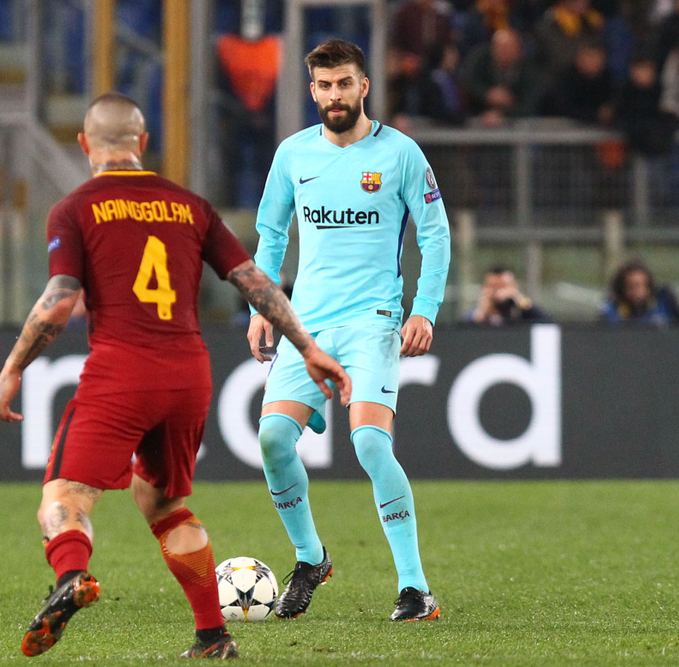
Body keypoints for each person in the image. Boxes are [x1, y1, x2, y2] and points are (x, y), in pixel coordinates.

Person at [0, 93, 351, 660]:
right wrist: (306, 346)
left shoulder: (75, 208)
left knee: (65, 496)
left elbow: (60, 301)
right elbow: (255, 281)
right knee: (164, 506)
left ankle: (72, 577)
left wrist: (13, 367)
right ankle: (213, 635)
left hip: (121, 370)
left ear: (85, 145)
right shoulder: (190, 206)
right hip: (189, 374)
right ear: (143, 143)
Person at [247, 39, 450, 622]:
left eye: (344, 84)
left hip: (372, 322)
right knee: (272, 439)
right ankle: (311, 559)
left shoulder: (401, 153)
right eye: (324, 85)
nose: (334, 95)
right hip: (305, 325)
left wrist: (424, 309)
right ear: (312, 90)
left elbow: (435, 234)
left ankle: (415, 589)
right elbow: (271, 235)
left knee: (369, 443)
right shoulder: (292, 154)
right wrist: (262, 307)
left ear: (363, 86)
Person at [460, 28, 542, 126]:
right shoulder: (479, 60)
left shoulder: (530, 71)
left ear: (519, 50)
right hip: (475, 118)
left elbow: (530, 103)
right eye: (499, 47)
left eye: (508, 48)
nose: (503, 52)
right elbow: (466, 81)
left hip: (516, 125)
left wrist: (504, 115)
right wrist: (487, 94)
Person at [601, 258, 679, 324]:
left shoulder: (665, 300)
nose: (636, 291)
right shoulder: (612, 311)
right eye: (630, 286)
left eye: (639, 285)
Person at [466, 266, 549, 325]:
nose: (498, 292)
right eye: (493, 287)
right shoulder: (474, 315)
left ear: (514, 287)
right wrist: (482, 313)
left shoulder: (522, 313)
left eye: (503, 287)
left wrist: (523, 304)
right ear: (484, 288)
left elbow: (547, 325)